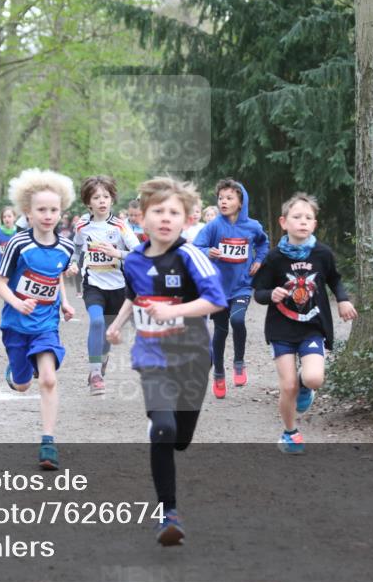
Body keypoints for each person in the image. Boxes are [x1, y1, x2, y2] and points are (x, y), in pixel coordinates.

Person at [106, 176, 226, 546]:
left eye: (174, 212)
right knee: (164, 430)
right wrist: (118, 325)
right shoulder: (134, 261)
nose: (165, 218)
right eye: (158, 211)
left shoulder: (191, 256)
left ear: (187, 220)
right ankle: (168, 513)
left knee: (181, 439)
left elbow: (216, 300)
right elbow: (135, 297)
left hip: (191, 357)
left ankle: (167, 431)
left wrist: (176, 310)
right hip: (152, 355)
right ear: (142, 217)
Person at [252, 193, 357, 454]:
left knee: (313, 378)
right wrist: (271, 294)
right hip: (281, 328)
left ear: (314, 224)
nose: (303, 221)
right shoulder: (275, 257)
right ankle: (290, 432)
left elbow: (335, 279)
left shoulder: (322, 253)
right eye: (296, 217)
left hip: (313, 325)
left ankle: (303, 385)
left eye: (308, 218)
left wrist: (343, 300)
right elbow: (259, 291)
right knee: (286, 386)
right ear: (283, 222)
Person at [0, 168, 77, 471]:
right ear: (27, 212)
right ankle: (15, 375)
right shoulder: (19, 244)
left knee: (49, 379)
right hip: (16, 325)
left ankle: (48, 442)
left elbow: (54, 279)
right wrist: (18, 302)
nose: (48, 215)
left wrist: (65, 304)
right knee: (22, 385)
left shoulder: (66, 247)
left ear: (61, 211)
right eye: (41, 209)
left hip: (45, 325)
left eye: (53, 209)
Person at [192, 179, 269, 398]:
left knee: (237, 320)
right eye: (220, 198)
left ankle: (239, 362)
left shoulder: (252, 226)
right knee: (220, 331)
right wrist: (208, 252)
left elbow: (264, 243)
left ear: (241, 202)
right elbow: (197, 246)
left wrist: (259, 260)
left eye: (229, 198)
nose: (223, 202)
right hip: (217, 289)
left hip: (242, 286)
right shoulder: (214, 225)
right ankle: (218, 373)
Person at [73, 175, 139, 395]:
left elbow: (139, 255)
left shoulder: (121, 226)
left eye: (106, 196)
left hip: (119, 288)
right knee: (97, 322)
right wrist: (73, 263)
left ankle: (101, 362)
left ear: (112, 199)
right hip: (93, 285)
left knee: (109, 333)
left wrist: (116, 253)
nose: (102, 200)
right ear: (88, 202)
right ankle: (95, 374)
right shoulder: (82, 226)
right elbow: (76, 249)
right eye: (96, 197)